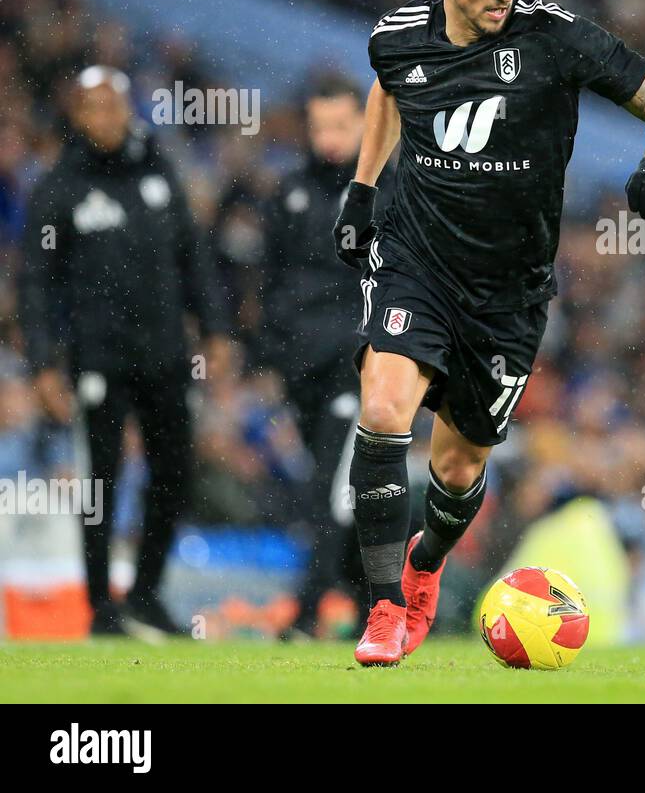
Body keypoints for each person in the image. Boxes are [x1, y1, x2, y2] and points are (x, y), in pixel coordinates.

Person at [333, 0, 645, 665]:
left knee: (459, 468)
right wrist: (362, 190)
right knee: (384, 405)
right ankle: (383, 608)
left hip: (509, 294)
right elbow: (387, 88)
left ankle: (424, 568)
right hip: (415, 263)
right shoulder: (396, 35)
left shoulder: (556, 38)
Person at [18, 65, 231, 638]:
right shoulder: (58, 187)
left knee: (176, 473)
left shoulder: (159, 170)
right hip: (98, 361)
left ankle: (145, 593)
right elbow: (34, 281)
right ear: (77, 115)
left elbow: (195, 257)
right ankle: (99, 608)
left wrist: (214, 330)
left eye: (114, 105)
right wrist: (42, 364)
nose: (106, 117)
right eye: (94, 107)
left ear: (128, 108)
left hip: (164, 355)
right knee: (99, 484)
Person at [258, 73, 392, 639]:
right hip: (302, 371)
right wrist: (269, 360)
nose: (330, 137)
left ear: (366, 125)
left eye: (342, 124)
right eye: (320, 126)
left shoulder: (385, 191)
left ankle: (308, 612)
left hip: (359, 365)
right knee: (342, 492)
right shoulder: (288, 193)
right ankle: (374, 605)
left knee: (328, 491)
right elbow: (269, 286)